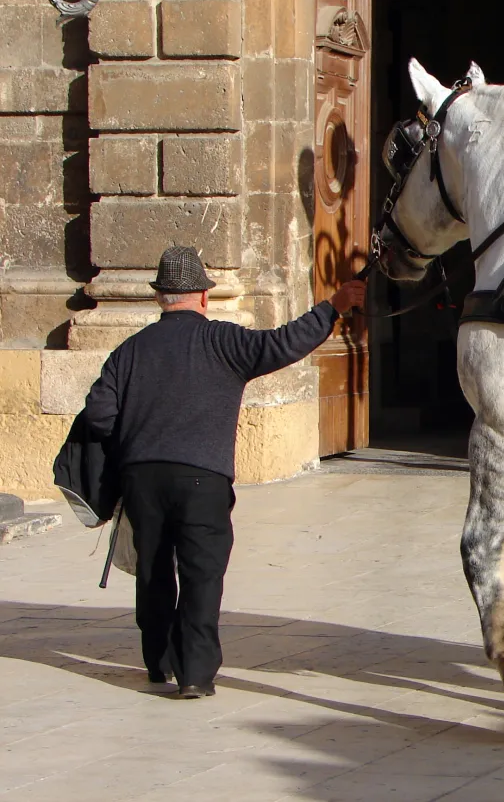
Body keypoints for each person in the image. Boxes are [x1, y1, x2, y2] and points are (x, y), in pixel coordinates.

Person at [83, 245, 367, 699]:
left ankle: (158, 662)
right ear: (202, 296)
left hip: (142, 477)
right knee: (202, 572)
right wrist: (332, 306)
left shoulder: (130, 351)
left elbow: (99, 415)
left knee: (153, 569)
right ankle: (195, 674)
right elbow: (284, 343)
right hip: (203, 478)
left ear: (160, 297)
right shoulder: (223, 341)